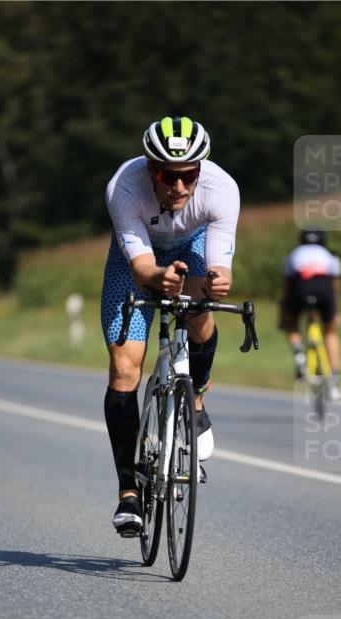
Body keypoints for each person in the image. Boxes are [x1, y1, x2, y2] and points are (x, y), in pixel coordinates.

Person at [102, 116, 240, 536]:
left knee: (201, 315)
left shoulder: (222, 190)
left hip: (193, 242)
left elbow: (219, 265)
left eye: (188, 176)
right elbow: (142, 265)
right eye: (168, 175)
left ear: (200, 170)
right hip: (136, 256)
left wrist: (219, 280)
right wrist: (154, 275)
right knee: (125, 369)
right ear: (149, 169)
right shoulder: (124, 187)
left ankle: (195, 398)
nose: (179, 187)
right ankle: (128, 492)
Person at [279, 230, 341, 401]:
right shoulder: (331, 255)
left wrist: (284, 316)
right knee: (330, 330)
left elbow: (286, 287)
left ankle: (299, 355)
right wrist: (336, 312)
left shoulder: (293, 253)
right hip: (324, 286)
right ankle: (334, 378)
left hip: (300, 284)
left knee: (291, 323)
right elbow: (335, 286)